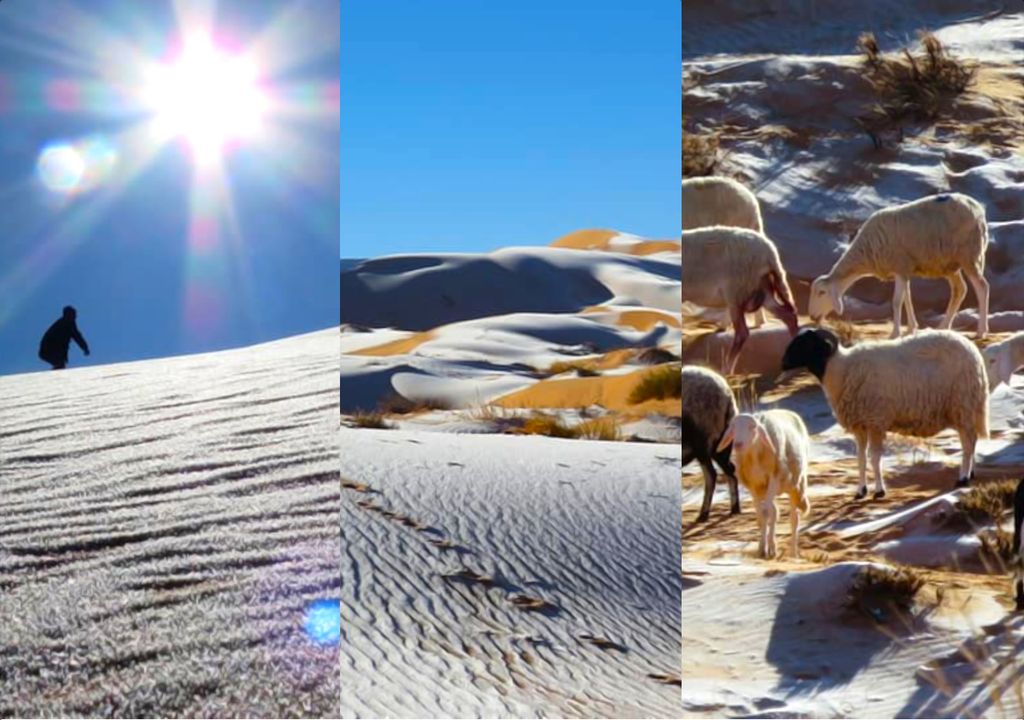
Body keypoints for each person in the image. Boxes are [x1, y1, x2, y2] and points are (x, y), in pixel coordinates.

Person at [39, 305, 90, 370]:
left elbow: (77, 337)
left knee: (60, 364)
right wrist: (85, 348)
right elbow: (77, 337)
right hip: (48, 351)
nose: (75, 317)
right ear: (68, 315)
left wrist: (85, 348)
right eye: (74, 315)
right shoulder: (66, 324)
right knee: (60, 364)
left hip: (49, 351)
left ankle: (56, 376)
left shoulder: (67, 323)